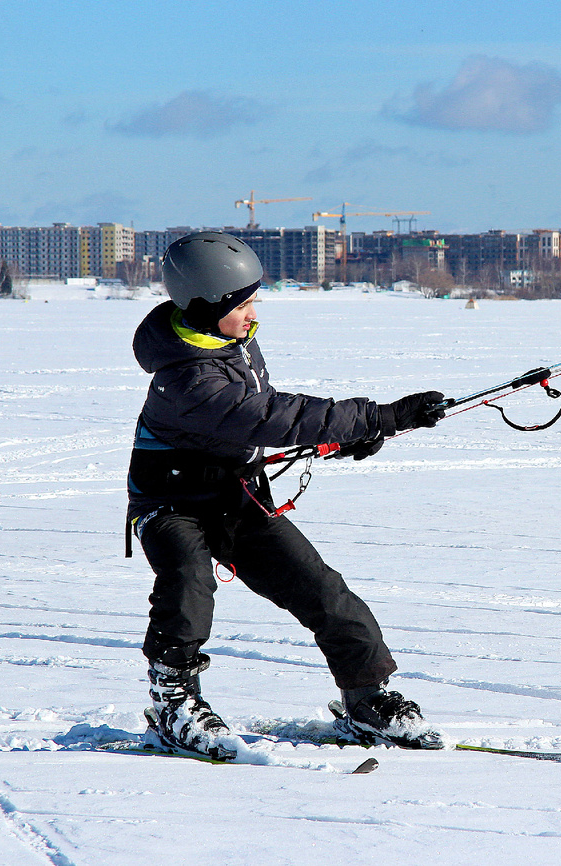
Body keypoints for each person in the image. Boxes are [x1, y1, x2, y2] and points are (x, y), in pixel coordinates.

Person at [126, 231, 446, 755]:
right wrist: (377, 418)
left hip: (236, 496)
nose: (254, 314)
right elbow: (270, 416)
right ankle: (173, 700)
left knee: (323, 591)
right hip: (171, 505)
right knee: (188, 584)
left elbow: (262, 418)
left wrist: (340, 441)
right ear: (206, 306)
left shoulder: (230, 341)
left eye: (254, 300)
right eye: (244, 303)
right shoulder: (186, 377)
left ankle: (366, 700)